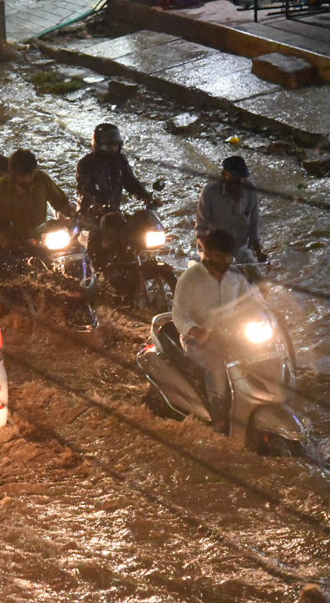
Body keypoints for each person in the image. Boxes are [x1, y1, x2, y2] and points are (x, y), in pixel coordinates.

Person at [172, 228, 265, 435]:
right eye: (220, 256)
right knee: (216, 366)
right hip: (198, 340)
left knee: (261, 355)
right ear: (207, 252)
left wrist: (266, 317)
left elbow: (252, 301)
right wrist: (196, 331)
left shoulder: (235, 276)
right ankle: (220, 418)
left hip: (231, 335)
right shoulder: (190, 278)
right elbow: (178, 314)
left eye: (228, 256)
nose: (225, 261)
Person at [0, 148, 75, 286]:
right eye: (22, 175)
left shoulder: (41, 179)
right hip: (12, 238)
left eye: (30, 174)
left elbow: (60, 201)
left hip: (40, 233)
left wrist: (74, 215)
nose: (27, 178)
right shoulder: (0, 188)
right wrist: (7, 240)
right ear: (13, 173)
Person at [75, 122, 157, 266]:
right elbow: (84, 188)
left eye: (116, 145)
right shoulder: (86, 163)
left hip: (113, 212)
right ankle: (94, 274)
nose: (113, 148)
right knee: (95, 244)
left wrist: (148, 197)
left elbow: (131, 183)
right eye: (110, 145)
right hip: (90, 214)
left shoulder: (120, 161)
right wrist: (94, 204)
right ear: (99, 144)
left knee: (137, 234)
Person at [195, 155, 267, 267]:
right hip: (214, 250)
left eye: (243, 178)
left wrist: (259, 252)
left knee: (258, 282)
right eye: (235, 179)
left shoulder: (250, 190)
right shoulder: (209, 192)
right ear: (224, 175)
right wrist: (209, 254)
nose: (240, 184)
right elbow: (200, 229)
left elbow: (254, 225)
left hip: (240, 251)